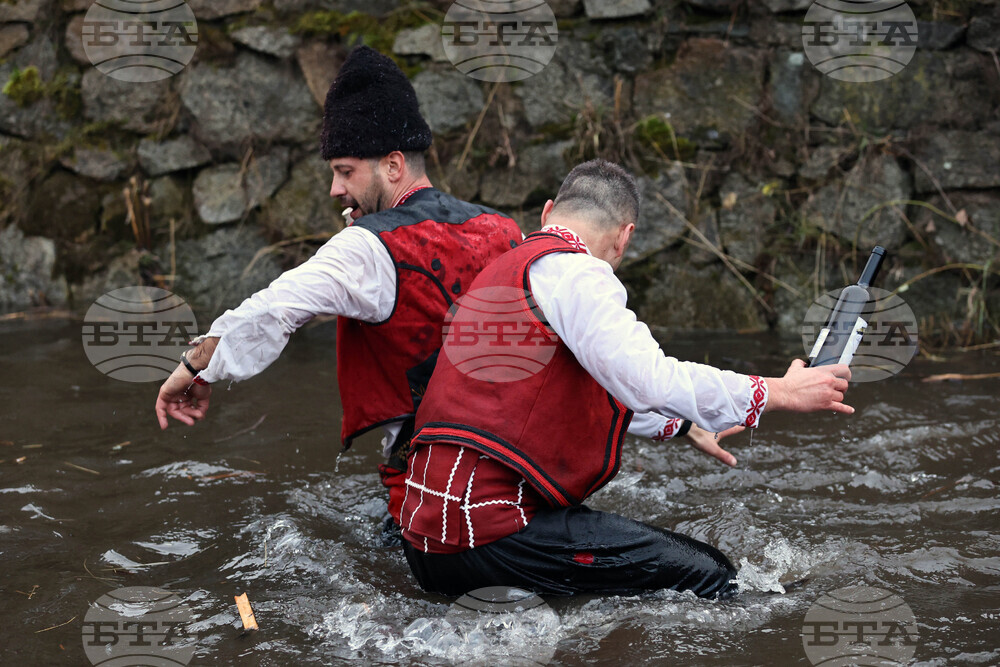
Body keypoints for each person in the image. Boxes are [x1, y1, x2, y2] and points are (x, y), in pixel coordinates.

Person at [397, 159, 854, 598]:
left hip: (424, 540)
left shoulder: (502, 274)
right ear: (624, 238)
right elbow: (650, 380)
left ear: (547, 212)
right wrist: (780, 390)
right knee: (711, 575)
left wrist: (682, 424)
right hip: (487, 537)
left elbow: (553, 393)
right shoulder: (580, 272)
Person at [153, 46, 523, 521]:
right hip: (518, 476)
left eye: (344, 172)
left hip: (436, 502)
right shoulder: (504, 229)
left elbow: (274, 309)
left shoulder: (368, 247)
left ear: (392, 166)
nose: (334, 189)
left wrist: (195, 364)